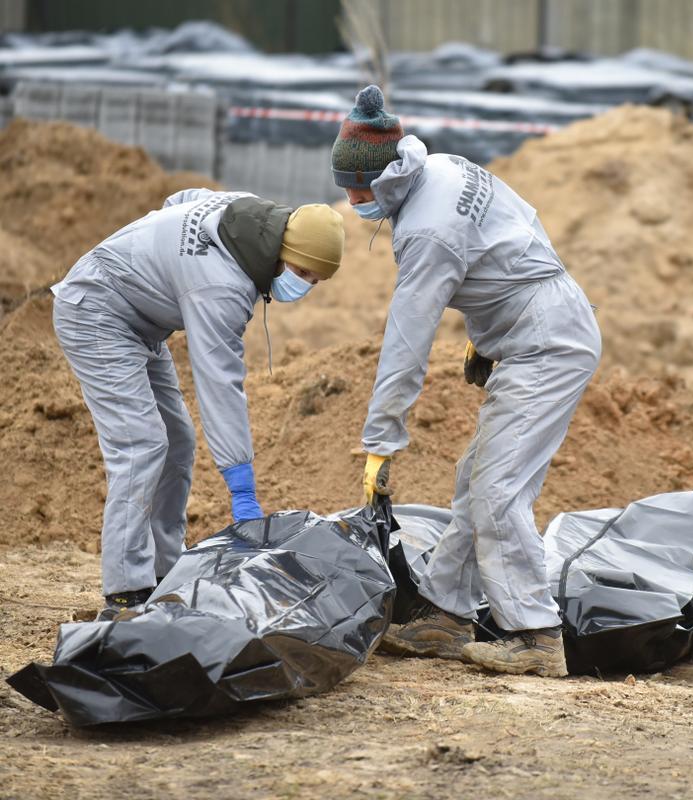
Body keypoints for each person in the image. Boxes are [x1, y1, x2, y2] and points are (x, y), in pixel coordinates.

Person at [332, 85, 600, 678]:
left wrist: (381, 440)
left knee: (498, 488)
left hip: (546, 344)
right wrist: (485, 334)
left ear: (381, 179)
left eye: (355, 190)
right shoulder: (445, 168)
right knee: (473, 480)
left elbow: (408, 341)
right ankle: (447, 616)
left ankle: (535, 635)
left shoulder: (424, 232)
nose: (351, 202)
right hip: (541, 321)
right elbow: (514, 231)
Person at [52, 188, 344, 621]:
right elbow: (220, 385)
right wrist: (241, 488)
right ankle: (126, 593)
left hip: (142, 322)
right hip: (96, 311)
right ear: (282, 248)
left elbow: (181, 199)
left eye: (315, 280)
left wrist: (163, 269)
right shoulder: (221, 286)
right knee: (141, 444)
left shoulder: (245, 211)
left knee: (178, 441)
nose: (305, 285)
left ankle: (164, 572)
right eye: (302, 271)